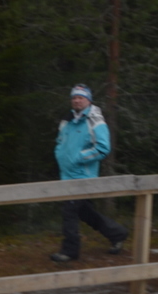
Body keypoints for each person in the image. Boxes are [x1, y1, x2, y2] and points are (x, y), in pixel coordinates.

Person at [51, 84, 128, 263]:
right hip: (67, 175)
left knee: (69, 212)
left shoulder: (95, 120)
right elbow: (60, 141)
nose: (77, 100)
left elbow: (103, 148)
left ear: (88, 100)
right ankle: (118, 234)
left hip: (82, 177)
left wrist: (79, 157)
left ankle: (70, 251)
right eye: (74, 97)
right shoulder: (67, 120)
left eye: (81, 97)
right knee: (85, 213)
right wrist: (60, 154)